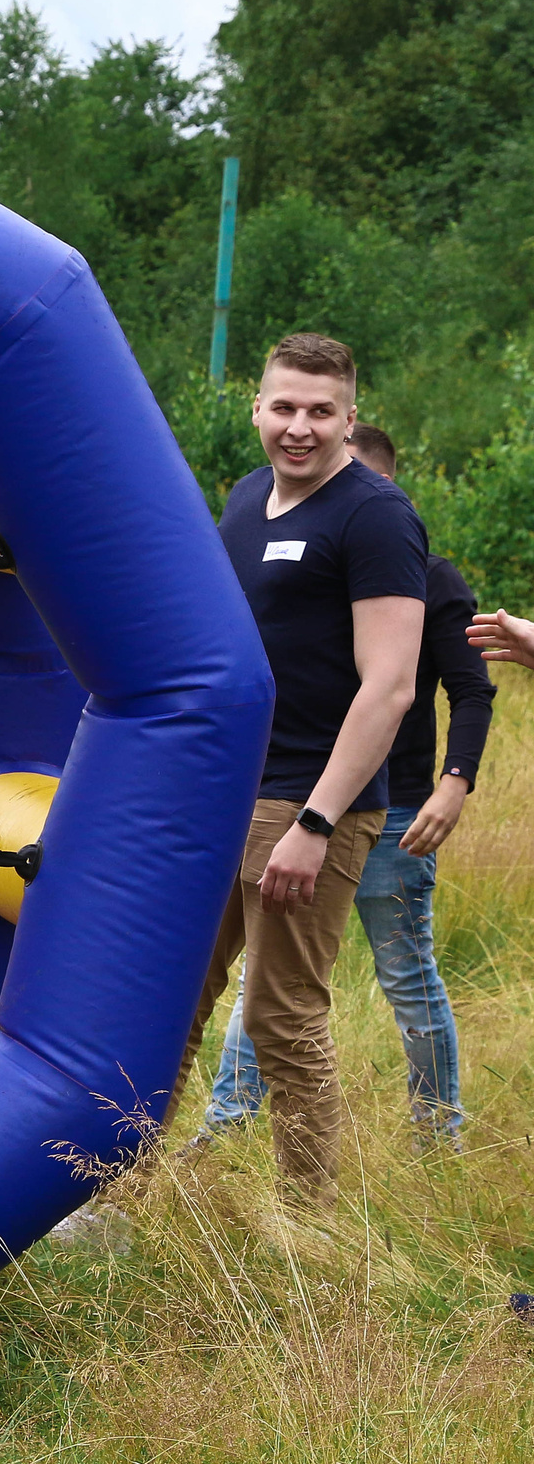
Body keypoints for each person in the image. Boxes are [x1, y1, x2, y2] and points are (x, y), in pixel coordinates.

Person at [176, 334, 425, 1199]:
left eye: (322, 411)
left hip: (312, 804)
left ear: (350, 419)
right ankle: (112, 1190)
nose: (300, 427)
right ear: (256, 407)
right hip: (223, 794)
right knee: (167, 998)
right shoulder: (245, 500)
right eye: (284, 406)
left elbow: (388, 688)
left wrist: (316, 824)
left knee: (280, 1019)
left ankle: (308, 1216)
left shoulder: (375, 514)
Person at [199, 422, 490, 1147]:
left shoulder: (423, 570)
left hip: (389, 808)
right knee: (255, 994)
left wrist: (454, 783)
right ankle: (221, 1126)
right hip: (272, 795)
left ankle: (437, 1130)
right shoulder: (276, 534)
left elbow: (465, 690)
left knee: (399, 979)